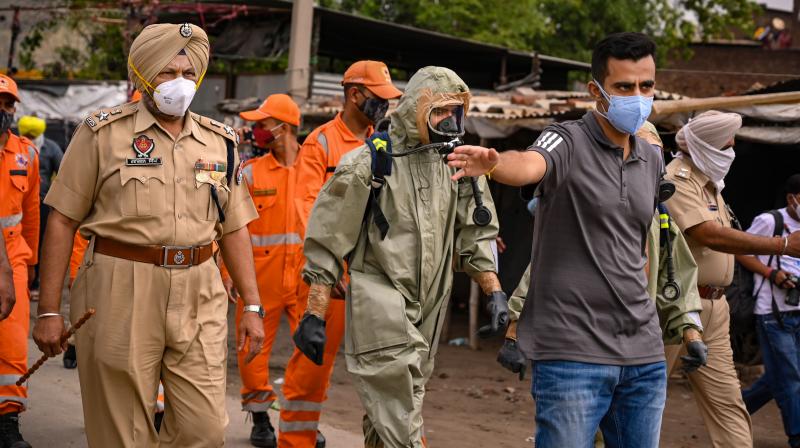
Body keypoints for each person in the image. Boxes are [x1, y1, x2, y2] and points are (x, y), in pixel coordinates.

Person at [32, 23, 265, 447]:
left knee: (204, 429)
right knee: (122, 433)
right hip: (120, 285)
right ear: (141, 75)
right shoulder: (102, 134)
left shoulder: (221, 142)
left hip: (200, 289)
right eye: (168, 72)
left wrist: (251, 304)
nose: (181, 82)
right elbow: (62, 219)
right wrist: (49, 311)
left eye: (189, 73)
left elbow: (234, 226)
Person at [448, 32, 671, 447]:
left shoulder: (653, 158)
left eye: (646, 86)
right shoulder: (567, 139)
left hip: (643, 354)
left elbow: (639, 246)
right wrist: (494, 164)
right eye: (624, 87)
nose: (638, 97)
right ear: (596, 91)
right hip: (572, 353)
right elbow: (528, 164)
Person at [295, 66, 504, 448]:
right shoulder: (369, 163)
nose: (449, 120)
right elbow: (329, 238)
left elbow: (476, 232)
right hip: (380, 302)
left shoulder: (459, 166)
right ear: (417, 110)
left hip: (430, 305)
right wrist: (315, 311)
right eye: (440, 111)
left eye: (455, 111)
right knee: (399, 413)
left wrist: (494, 291)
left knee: (397, 408)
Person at [498, 123, 708, 382]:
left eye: (655, 154)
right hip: (580, 341)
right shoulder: (583, 215)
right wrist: (513, 335)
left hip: (637, 342)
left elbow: (679, 279)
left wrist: (692, 335)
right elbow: (539, 275)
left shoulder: (661, 222)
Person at [278, 60, 402, 448]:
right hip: (330, 277)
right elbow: (306, 209)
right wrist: (328, 269)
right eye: (379, 97)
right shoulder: (320, 144)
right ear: (354, 94)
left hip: (374, 276)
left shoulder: (385, 143)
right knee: (312, 363)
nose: (385, 105)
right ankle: (296, 441)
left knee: (393, 367)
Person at [664, 110, 800, 447]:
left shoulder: (712, 186)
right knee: (640, 397)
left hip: (714, 308)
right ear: (707, 147)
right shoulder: (677, 180)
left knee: (728, 404)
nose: (732, 152)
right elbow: (709, 235)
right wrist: (782, 245)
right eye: (727, 146)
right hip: (676, 306)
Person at [221, 93, 303, 447]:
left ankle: (302, 422)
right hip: (259, 277)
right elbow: (231, 225)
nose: (256, 131)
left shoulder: (315, 170)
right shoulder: (251, 172)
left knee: (311, 350)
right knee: (252, 347)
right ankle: (260, 416)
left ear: (284, 128)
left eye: (262, 124)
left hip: (305, 277)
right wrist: (228, 272)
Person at [737, 174, 800, 447]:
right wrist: (772, 273)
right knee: (791, 378)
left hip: (797, 309)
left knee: (778, 377)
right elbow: (740, 250)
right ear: (791, 198)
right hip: (773, 313)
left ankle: (732, 415)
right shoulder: (769, 221)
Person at [0, 74, 40, 448]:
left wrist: (33, 265)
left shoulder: (26, 154)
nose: (2, 110)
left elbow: (31, 215)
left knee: (12, 344)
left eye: (7, 104)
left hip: (13, 258)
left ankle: (7, 422)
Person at [17, 115, 62, 295]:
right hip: (16, 202)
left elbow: (63, 172)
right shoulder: (14, 145)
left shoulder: (50, 148)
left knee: (38, 241)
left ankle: (34, 282)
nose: (29, 139)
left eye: (32, 136)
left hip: (41, 202)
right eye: (26, 135)